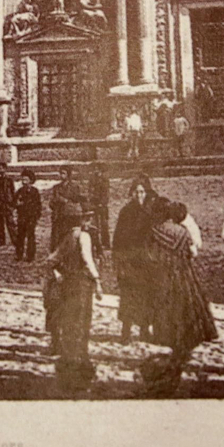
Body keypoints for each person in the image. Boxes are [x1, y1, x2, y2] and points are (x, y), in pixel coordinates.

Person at [144, 199, 218, 395]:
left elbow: (149, 256)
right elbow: (191, 253)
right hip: (182, 274)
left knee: (164, 305)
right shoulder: (182, 232)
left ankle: (166, 335)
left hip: (162, 275)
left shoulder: (154, 231)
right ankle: (185, 337)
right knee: (186, 304)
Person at [45, 203, 101, 390]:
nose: (89, 221)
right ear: (81, 220)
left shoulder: (67, 237)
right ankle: (81, 364)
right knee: (82, 323)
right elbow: (87, 259)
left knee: (70, 323)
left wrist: (58, 274)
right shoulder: (83, 236)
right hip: (82, 284)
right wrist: (98, 280)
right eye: (86, 217)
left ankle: (70, 364)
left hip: (68, 284)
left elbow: (51, 260)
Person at [111, 175, 159, 340]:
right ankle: (125, 332)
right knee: (128, 296)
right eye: (136, 192)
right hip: (130, 261)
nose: (139, 195)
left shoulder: (151, 212)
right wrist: (118, 260)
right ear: (132, 193)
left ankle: (144, 330)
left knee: (147, 295)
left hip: (146, 261)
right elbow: (117, 238)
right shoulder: (126, 212)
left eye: (142, 192)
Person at [48, 167, 84, 251]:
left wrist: (65, 201)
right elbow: (52, 202)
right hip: (58, 215)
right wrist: (55, 202)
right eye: (60, 173)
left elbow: (76, 199)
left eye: (63, 173)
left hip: (69, 215)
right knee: (57, 237)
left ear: (68, 175)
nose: (61, 175)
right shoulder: (56, 187)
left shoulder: (74, 187)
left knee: (68, 236)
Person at [12, 170, 43, 262]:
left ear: (31, 180)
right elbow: (14, 202)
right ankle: (19, 254)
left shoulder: (35, 191)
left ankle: (30, 255)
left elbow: (38, 205)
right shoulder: (20, 191)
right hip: (22, 217)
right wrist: (17, 204)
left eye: (26, 179)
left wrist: (36, 215)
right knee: (20, 236)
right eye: (23, 179)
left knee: (31, 236)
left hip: (31, 217)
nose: (24, 181)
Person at [86, 163, 112, 251]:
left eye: (97, 169)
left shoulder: (105, 181)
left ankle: (106, 243)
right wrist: (91, 200)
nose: (96, 171)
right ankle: (95, 243)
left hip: (102, 206)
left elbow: (106, 194)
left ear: (101, 171)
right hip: (94, 205)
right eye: (95, 169)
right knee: (94, 224)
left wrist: (102, 203)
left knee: (104, 224)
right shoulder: (92, 180)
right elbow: (90, 191)